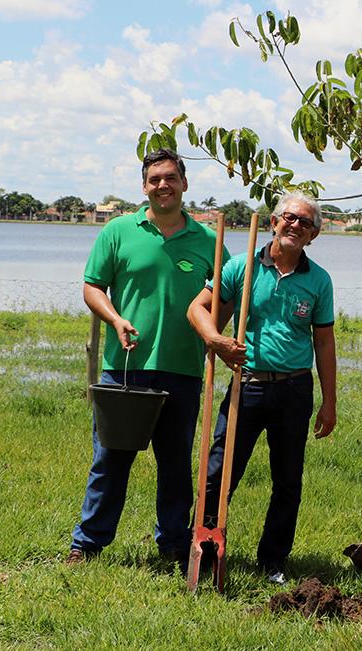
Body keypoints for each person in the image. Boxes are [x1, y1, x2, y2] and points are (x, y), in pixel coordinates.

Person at [67, 149, 233, 568]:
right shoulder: (118, 231)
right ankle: (86, 545)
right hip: (125, 368)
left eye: (171, 178)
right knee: (109, 460)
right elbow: (92, 287)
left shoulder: (210, 243)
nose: (163, 185)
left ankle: (174, 544)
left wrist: (213, 335)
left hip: (182, 369)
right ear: (144, 186)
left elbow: (226, 293)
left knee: (176, 465)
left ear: (184, 184)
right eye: (155, 178)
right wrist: (115, 318)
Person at [188, 191, 337, 585]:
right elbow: (197, 310)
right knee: (220, 470)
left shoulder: (319, 281)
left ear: (313, 235)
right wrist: (216, 341)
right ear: (274, 222)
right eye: (289, 217)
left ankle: (273, 560)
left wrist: (330, 401)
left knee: (287, 480)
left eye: (305, 222)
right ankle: (204, 544)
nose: (295, 226)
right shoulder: (242, 266)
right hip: (247, 384)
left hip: (294, 390)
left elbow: (324, 342)